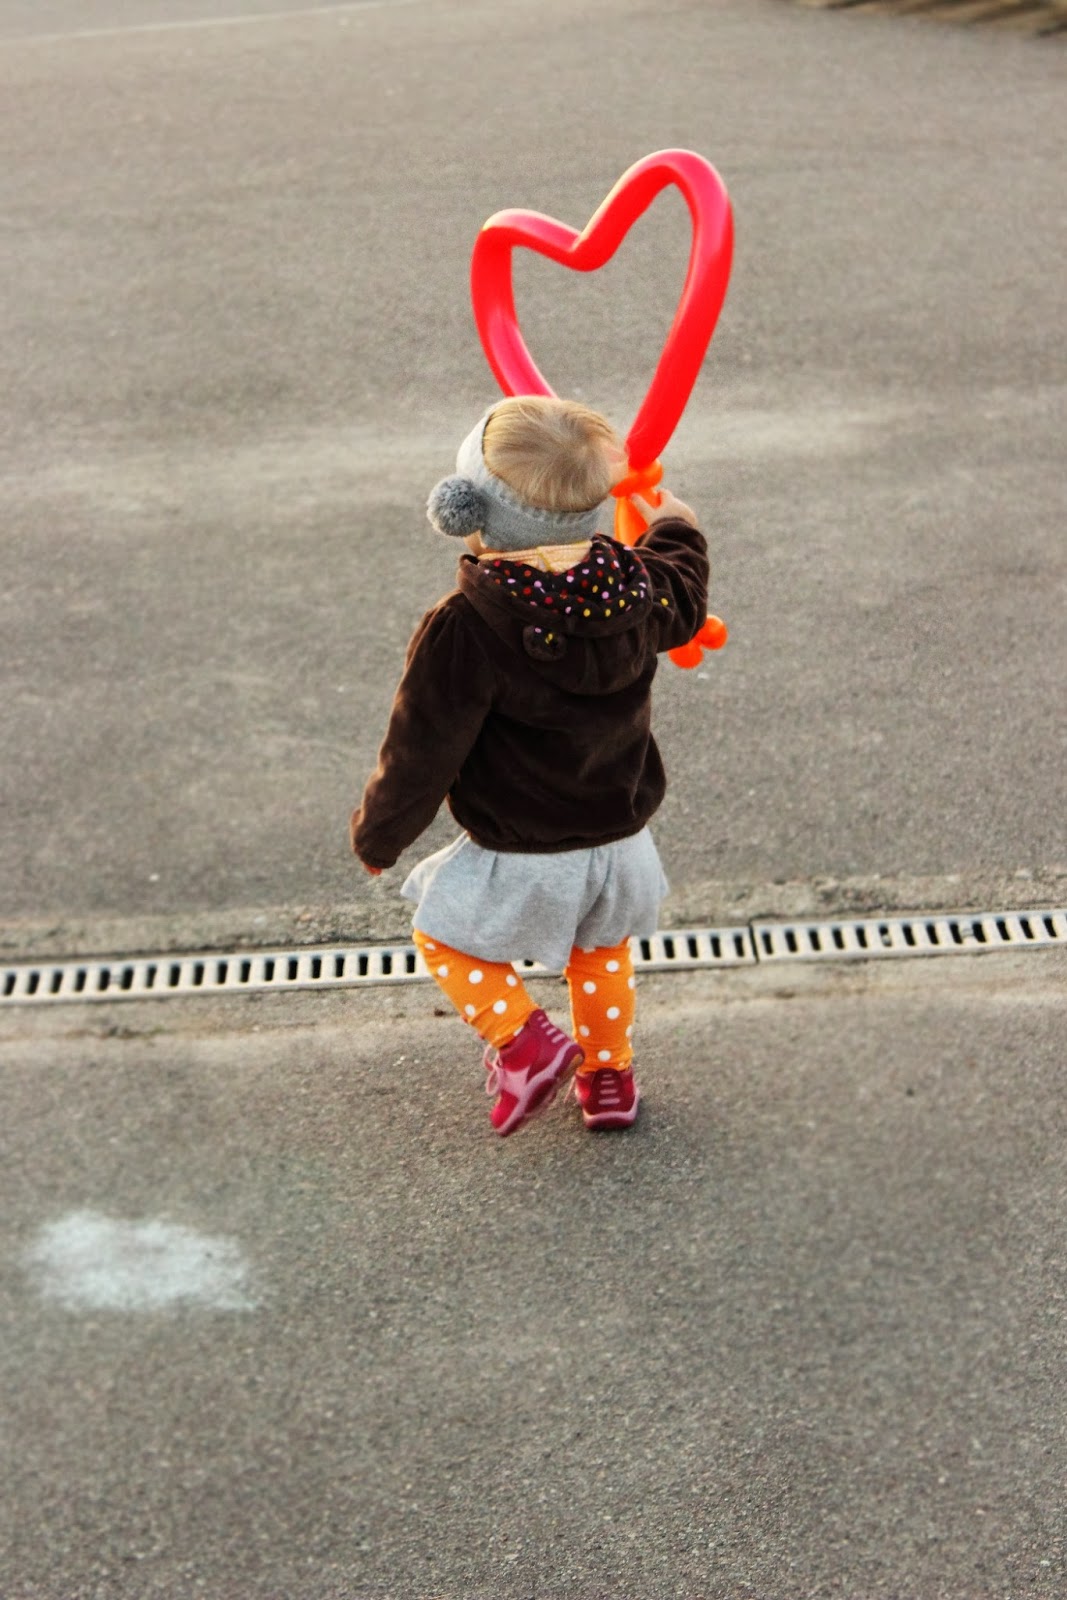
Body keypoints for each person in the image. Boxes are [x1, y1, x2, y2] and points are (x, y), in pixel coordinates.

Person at [349, 395, 709, 1136]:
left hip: (522, 844)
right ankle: (608, 1079)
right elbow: (685, 589)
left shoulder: (465, 626)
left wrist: (380, 836)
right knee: (599, 954)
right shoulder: (635, 590)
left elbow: (421, 748)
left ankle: (523, 1039)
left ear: (465, 508)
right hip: (618, 837)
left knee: (441, 936)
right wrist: (678, 526)